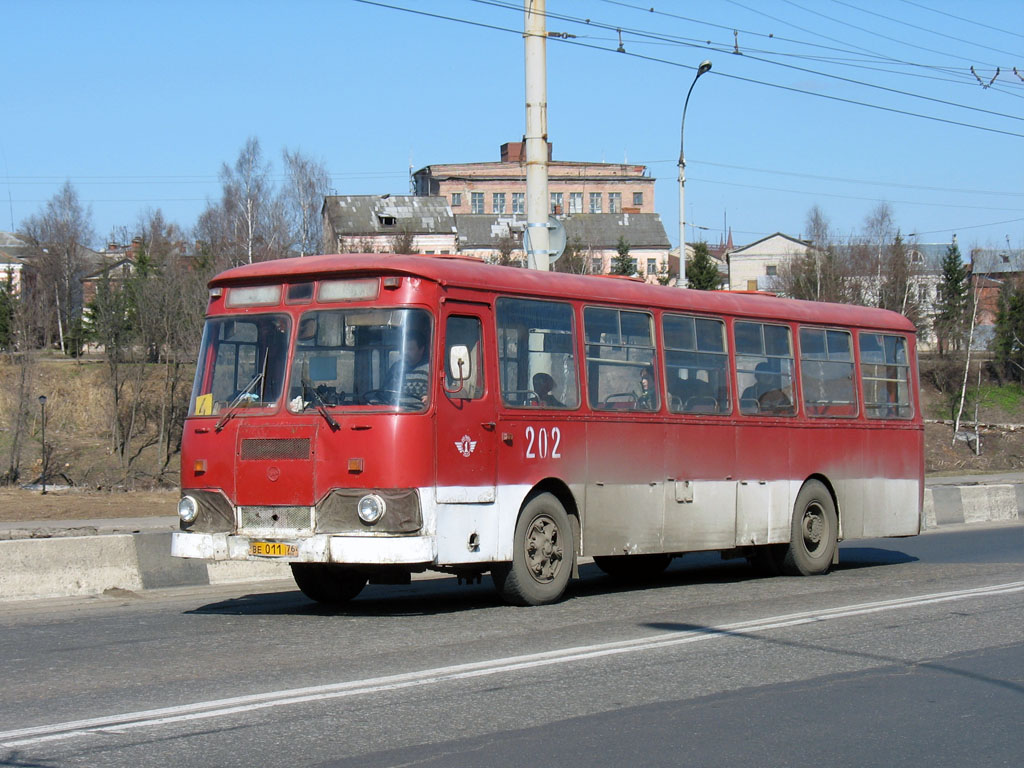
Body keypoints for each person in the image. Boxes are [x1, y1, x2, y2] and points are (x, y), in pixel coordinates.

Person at [385, 328, 430, 407]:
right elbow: (384, 393)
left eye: (410, 349)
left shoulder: (431, 369)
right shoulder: (396, 368)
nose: (405, 352)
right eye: (404, 348)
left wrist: (430, 399)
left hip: (419, 414)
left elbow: (444, 396)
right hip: (395, 413)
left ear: (421, 350)